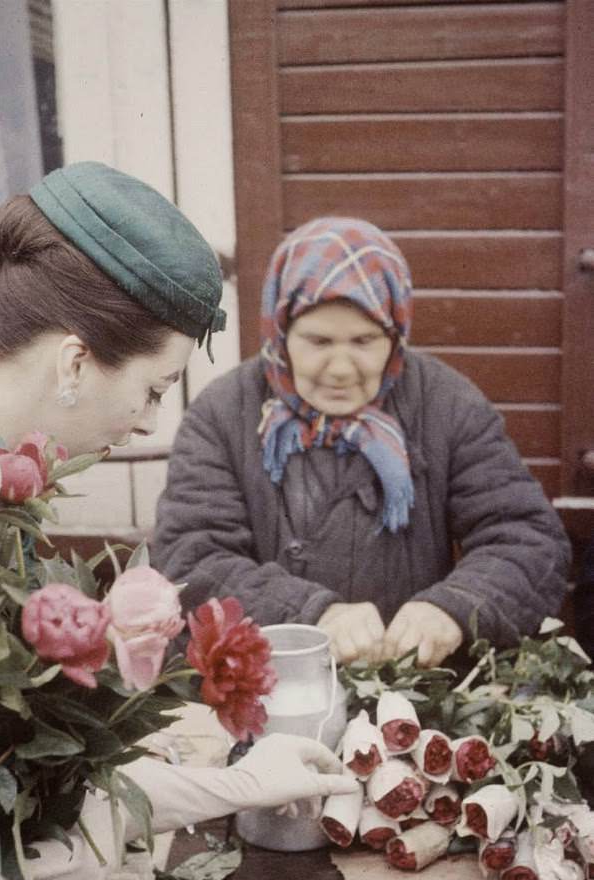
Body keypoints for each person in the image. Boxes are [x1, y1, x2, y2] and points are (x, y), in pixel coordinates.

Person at [0, 165, 357, 880]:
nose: (146, 421)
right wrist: (77, 847)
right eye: (154, 389)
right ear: (74, 359)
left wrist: (227, 787)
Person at [152, 217, 571, 669]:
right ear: (280, 332)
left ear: (396, 335)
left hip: (418, 690)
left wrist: (454, 606)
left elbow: (528, 539)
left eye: (364, 340)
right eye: (318, 340)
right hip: (269, 687)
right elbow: (192, 559)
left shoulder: (447, 404)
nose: (341, 368)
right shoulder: (222, 414)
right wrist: (311, 614)